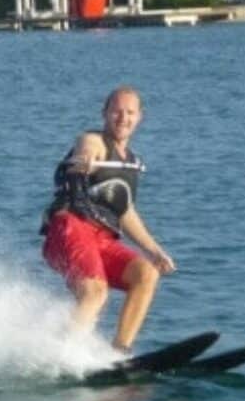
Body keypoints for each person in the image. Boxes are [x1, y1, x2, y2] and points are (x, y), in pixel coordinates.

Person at [40, 86, 175, 354]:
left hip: (101, 238)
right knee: (95, 292)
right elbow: (86, 148)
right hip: (70, 228)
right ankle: (59, 355)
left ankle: (120, 350)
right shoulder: (94, 141)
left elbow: (124, 212)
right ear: (105, 113)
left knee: (146, 274)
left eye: (130, 112)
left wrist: (154, 250)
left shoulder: (131, 162)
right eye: (116, 111)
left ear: (139, 117)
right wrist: (85, 159)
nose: (123, 118)